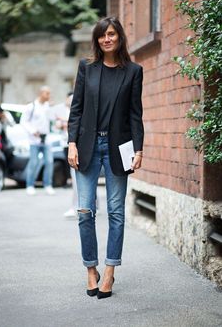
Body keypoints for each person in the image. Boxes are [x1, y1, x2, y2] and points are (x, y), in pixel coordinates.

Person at [68, 16, 144, 299]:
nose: (106, 39)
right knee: (85, 212)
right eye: (102, 35)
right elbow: (76, 109)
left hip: (118, 147)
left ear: (119, 37)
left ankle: (110, 270)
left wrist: (139, 149)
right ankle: (91, 269)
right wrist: (71, 143)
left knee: (116, 213)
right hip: (87, 145)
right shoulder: (86, 68)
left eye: (111, 34)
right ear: (97, 39)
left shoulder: (133, 71)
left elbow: (135, 114)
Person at [20, 85, 55, 195]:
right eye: (47, 93)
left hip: (46, 139)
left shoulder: (47, 107)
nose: (49, 96)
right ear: (41, 93)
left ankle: (48, 185)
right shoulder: (31, 106)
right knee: (33, 162)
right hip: (34, 140)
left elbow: (51, 120)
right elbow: (23, 121)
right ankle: (30, 185)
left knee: (49, 161)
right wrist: (33, 131)